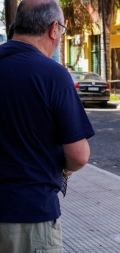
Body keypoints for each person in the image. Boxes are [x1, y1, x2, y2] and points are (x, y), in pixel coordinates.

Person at [0, 0, 95, 252]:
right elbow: (79, 155)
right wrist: (64, 170)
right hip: (30, 216)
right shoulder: (53, 75)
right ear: (54, 29)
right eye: (62, 30)